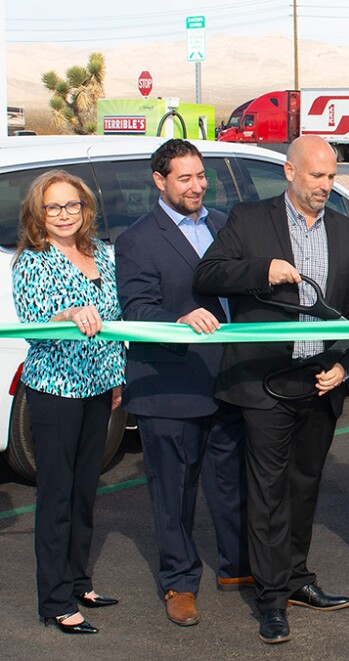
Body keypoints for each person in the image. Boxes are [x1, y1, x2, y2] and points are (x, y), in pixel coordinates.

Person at [194, 135, 349, 644]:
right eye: (317, 176)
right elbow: (208, 274)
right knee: (268, 491)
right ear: (290, 172)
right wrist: (261, 272)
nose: (326, 186)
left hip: (320, 382)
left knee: (304, 485)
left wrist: (342, 365)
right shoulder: (249, 220)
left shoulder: (347, 232)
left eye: (333, 177)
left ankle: (296, 578)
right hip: (264, 382)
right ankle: (271, 598)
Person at [114, 139, 250, 627]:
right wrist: (179, 317)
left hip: (227, 382)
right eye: (185, 178)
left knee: (230, 482)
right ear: (160, 181)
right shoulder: (136, 239)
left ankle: (236, 568)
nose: (197, 186)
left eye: (201, 176)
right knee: (173, 492)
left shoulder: (221, 224)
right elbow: (135, 309)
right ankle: (179, 582)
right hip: (169, 386)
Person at [12, 170, 125, 634]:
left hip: (99, 386)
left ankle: (79, 580)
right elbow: (36, 317)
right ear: (38, 213)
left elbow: (116, 320)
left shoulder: (101, 254)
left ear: (85, 208)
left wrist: (116, 378)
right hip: (55, 390)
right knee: (56, 496)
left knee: (84, 490)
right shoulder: (32, 262)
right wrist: (68, 313)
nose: (63, 215)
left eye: (71, 205)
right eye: (53, 207)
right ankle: (54, 600)